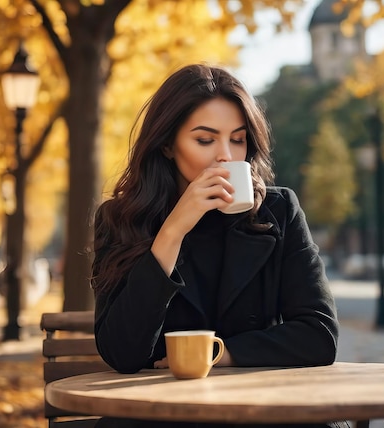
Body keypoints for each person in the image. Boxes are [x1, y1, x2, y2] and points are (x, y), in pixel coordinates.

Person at [91, 63, 342, 428]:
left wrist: (221, 353)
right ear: (166, 145)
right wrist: (172, 231)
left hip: (262, 410)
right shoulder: (123, 219)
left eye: (237, 139)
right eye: (205, 140)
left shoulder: (278, 211)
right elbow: (122, 353)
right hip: (164, 415)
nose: (225, 155)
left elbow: (319, 335)